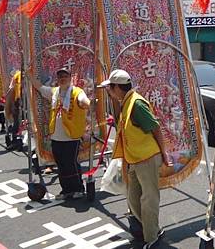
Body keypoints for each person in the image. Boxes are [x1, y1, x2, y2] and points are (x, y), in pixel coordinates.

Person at [99, 69, 171, 249]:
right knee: (133, 198)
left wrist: (164, 153)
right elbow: (119, 122)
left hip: (147, 158)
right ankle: (152, 229)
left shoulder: (137, 104)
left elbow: (155, 128)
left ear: (117, 87)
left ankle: (152, 237)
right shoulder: (126, 101)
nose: (109, 91)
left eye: (110, 88)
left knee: (149, 199)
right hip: (134, 159)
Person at [28, 67, 90, 200]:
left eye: (65, 76)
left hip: (71, 136)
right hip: (56, 136)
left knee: (71, 163)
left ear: (70, 78)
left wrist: (85, 103)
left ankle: (78, 188)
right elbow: (39, 87)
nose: (62, 79)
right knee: (61, 164)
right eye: (60, 77)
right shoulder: (54, 92)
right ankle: (66, 190)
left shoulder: (76, 91)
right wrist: (29, 75)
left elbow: (83, 99)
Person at [4, 70, 22, 150]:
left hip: (30, 101)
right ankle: (14, 141)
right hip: (19, 101)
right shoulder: (17, 75)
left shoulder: (35, 73)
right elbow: (11, 90)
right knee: (17, 121)